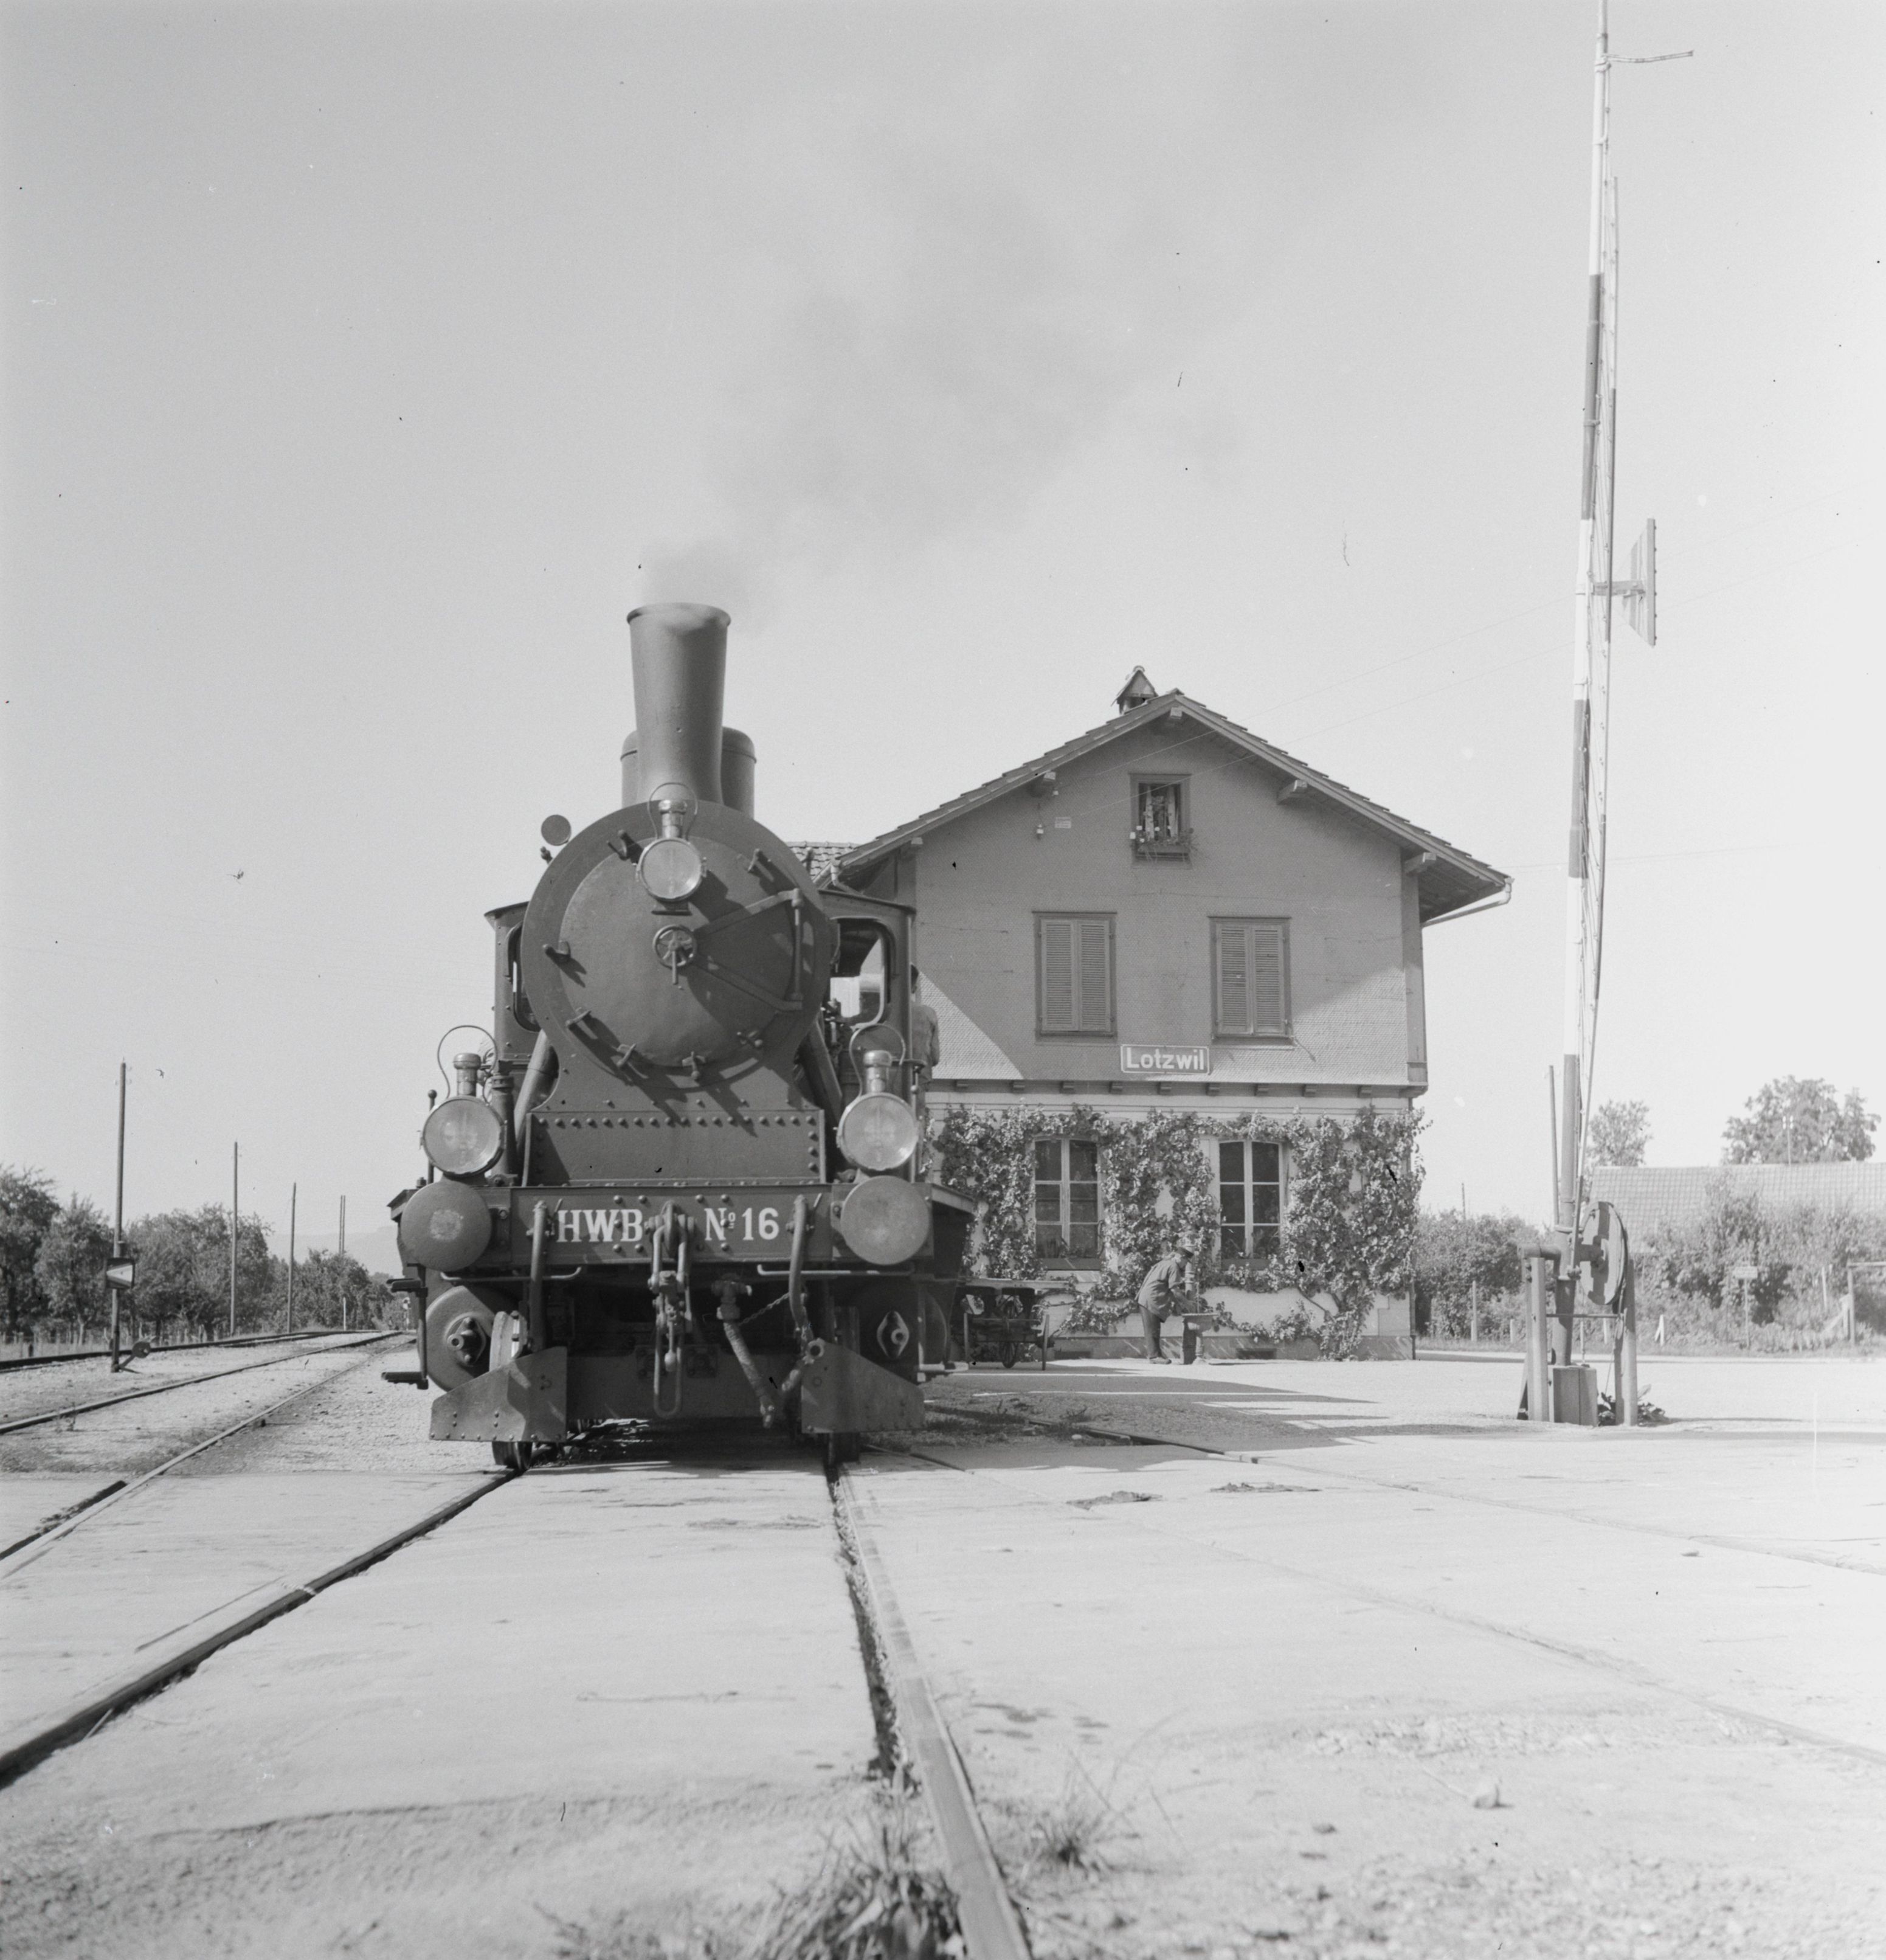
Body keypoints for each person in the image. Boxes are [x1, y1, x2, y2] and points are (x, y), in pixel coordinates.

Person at [1137, 1244, 1193, 1364]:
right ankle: (1154, 1357)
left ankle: (1157, 1355)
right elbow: (1174, 1290)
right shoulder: (1174, 1266)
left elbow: (1169, 1289)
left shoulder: (1165, 1263)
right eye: (1186, 1261)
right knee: (1152, 1329)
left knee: (1154, 1327)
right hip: (1151, 1299)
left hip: (1148, 1298)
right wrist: (1187, 1303)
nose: (1185, 1265)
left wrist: (1178, 1304)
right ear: (1181, 1258)